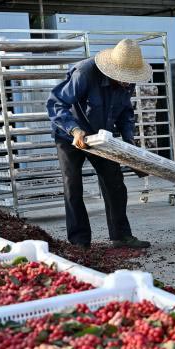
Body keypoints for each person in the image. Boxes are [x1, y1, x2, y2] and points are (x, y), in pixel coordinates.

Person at [47, 39, 152, 250]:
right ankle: (79, 241)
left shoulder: (126, 82)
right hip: (71, 136)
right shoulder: (84, 73)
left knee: (115, 184)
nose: (127, 84)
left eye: (130, 80)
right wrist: (75, 130)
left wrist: (130, 144)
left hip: (102, 137)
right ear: (112, 70)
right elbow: (57, 103)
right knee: (73, 186)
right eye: (124, 79)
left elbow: (125, 114)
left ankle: (121, 235)